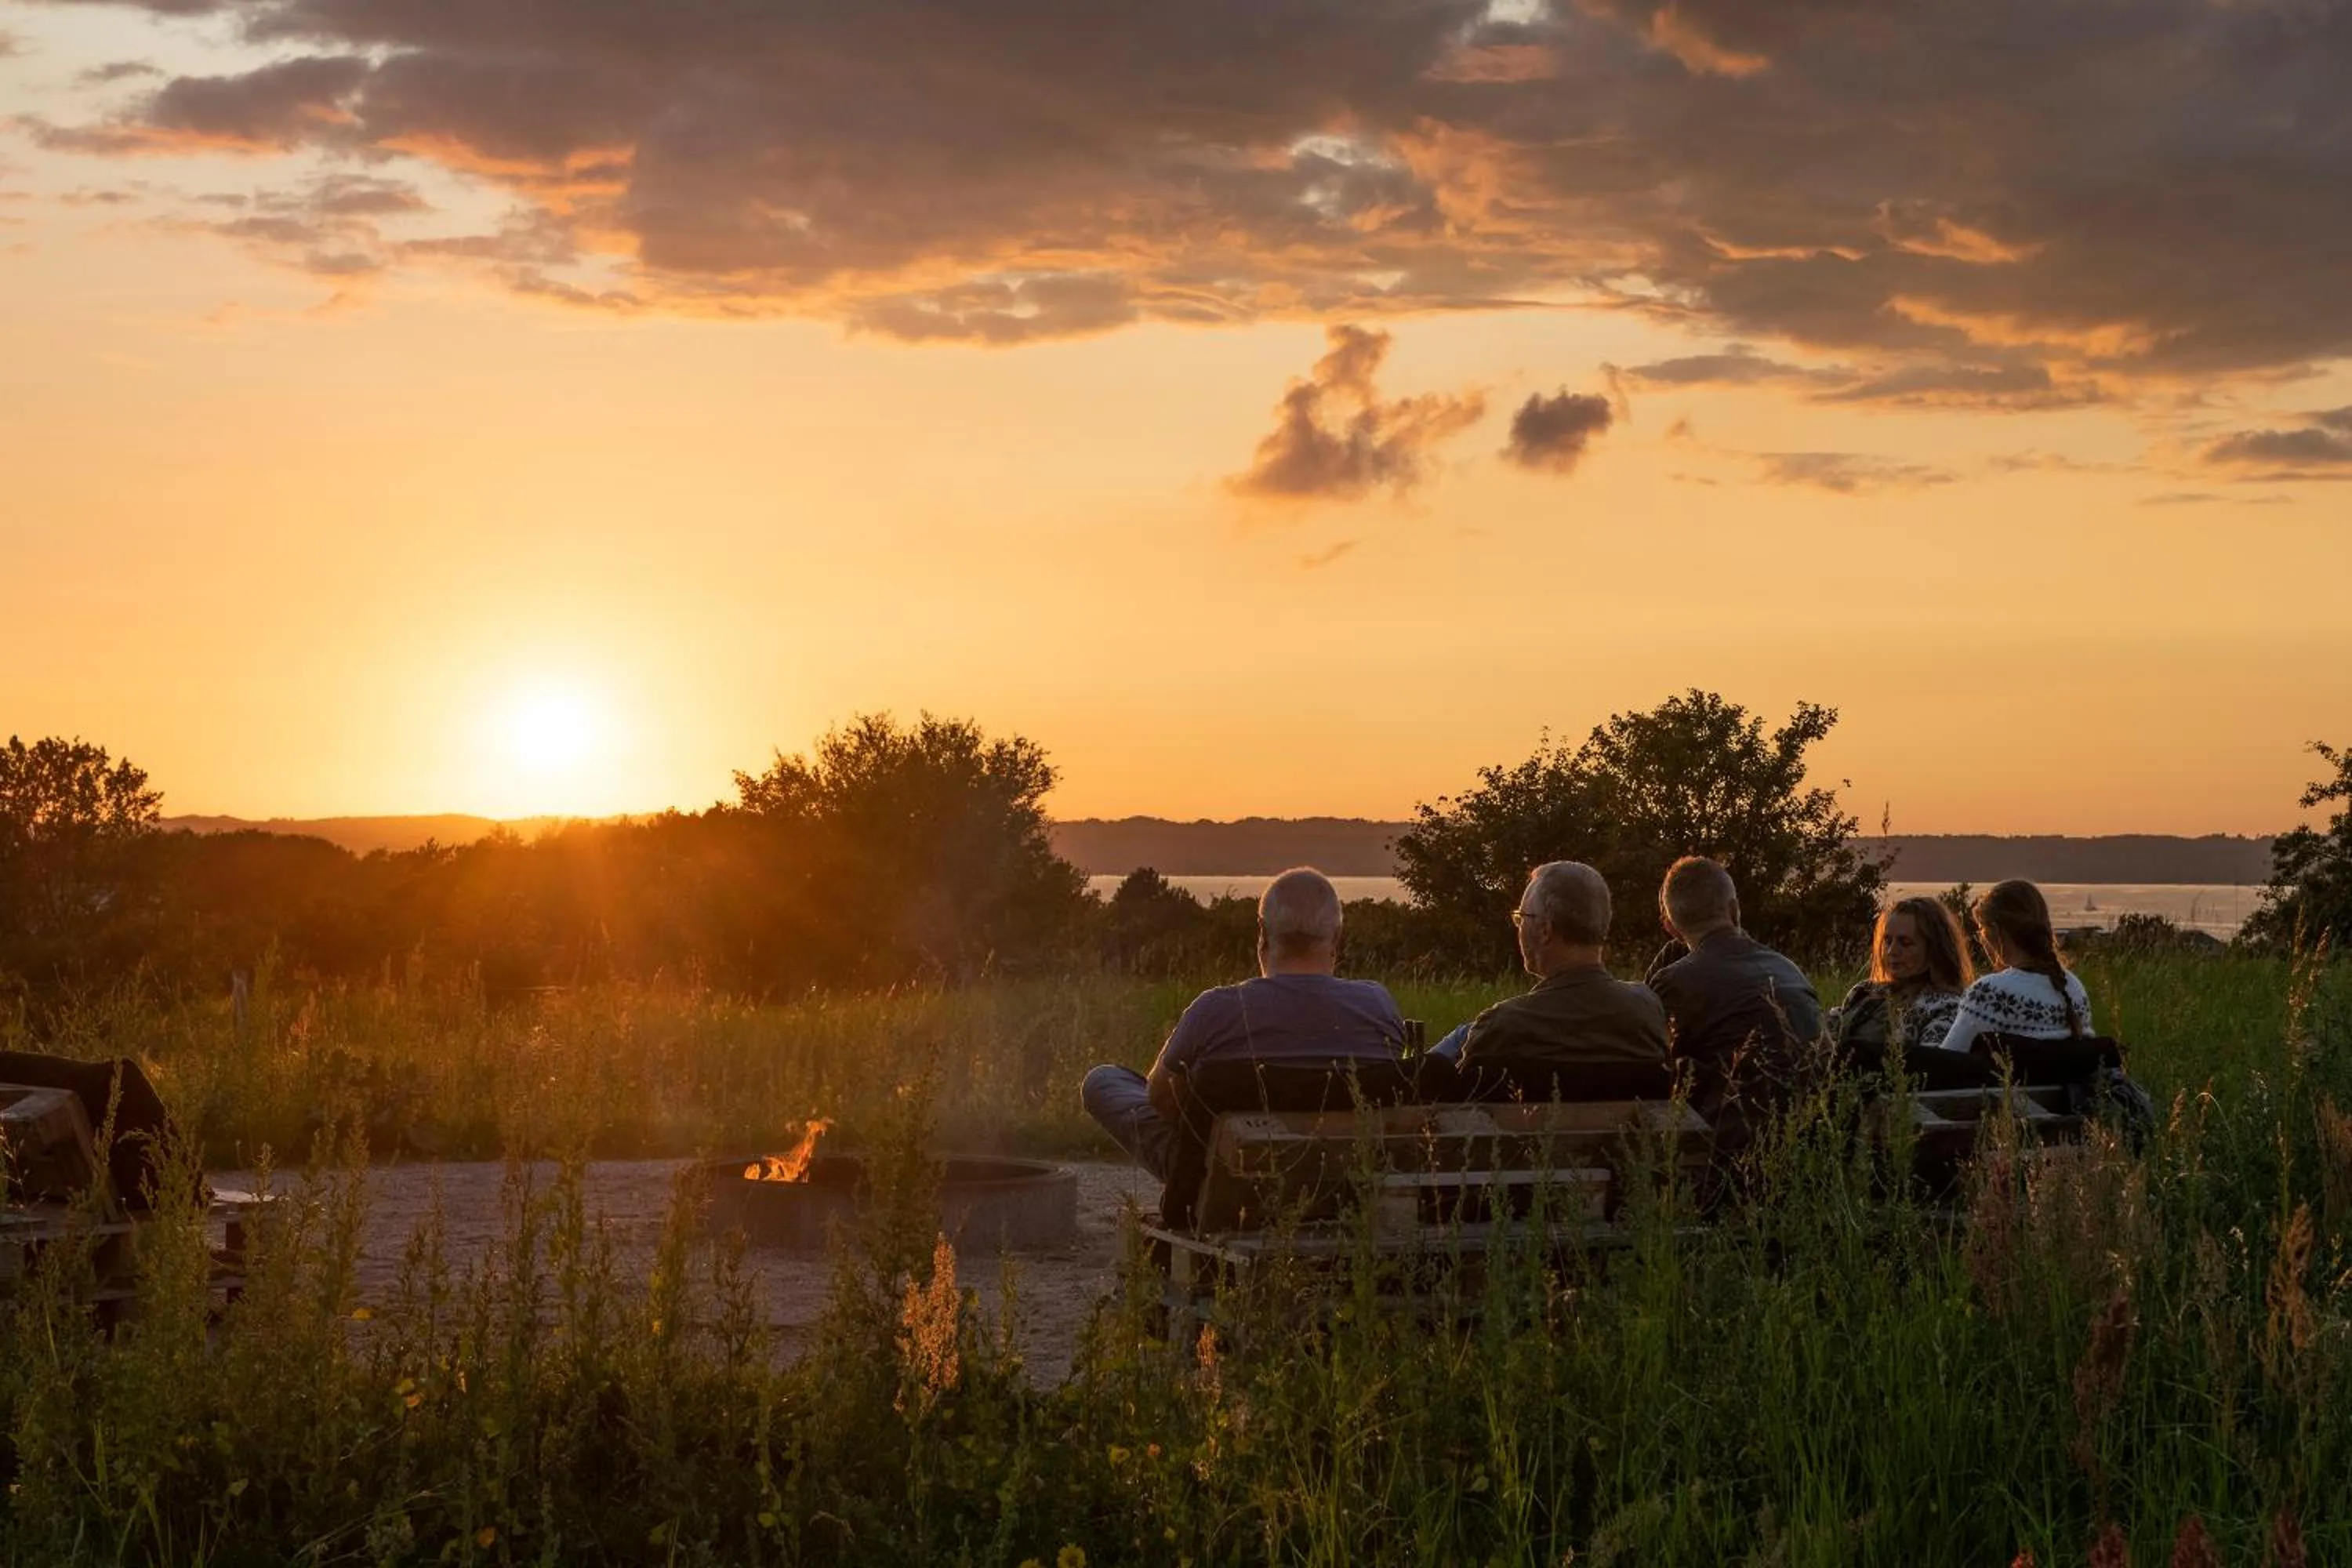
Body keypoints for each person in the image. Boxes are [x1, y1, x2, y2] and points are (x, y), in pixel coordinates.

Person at [1080, 866, 1404, 1183]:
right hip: (1343, 1172)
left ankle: (1192, 1177)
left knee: (1104, 1081)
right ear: (1336, 937)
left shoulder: (1216, 1008)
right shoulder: (1378, 1005)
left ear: (1262, 935)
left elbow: (1160, 1099)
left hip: (1220, 1176)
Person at [1427, 861, 1667, 1076]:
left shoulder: (1501, 1028)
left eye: (1522, 918)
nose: (1519, 928)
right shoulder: (1647, 1012)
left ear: (1545, 930)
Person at [1646, 856, 1823, 1110]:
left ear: (1671, 928)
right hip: (1811, 1132)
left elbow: (1652, 1068)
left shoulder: (1674, 982)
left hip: (1724, 1140)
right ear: (1733, 909)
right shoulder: (1789, 969)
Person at [1933, 880, 2094, 1054]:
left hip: (2009, 1083)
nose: (1982, 941)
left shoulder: (1989, 992)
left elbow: (1949, 1059)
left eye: (1981, 931)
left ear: (1996, 931)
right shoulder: (2075, 989)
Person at [1828, 896, 1973, 1054]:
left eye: (1905, 943)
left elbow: (1930, 1069)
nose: (1892, 952)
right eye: (1888, 941)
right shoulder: (1864, 991)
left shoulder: (1945, 1006)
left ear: (1934, 949)